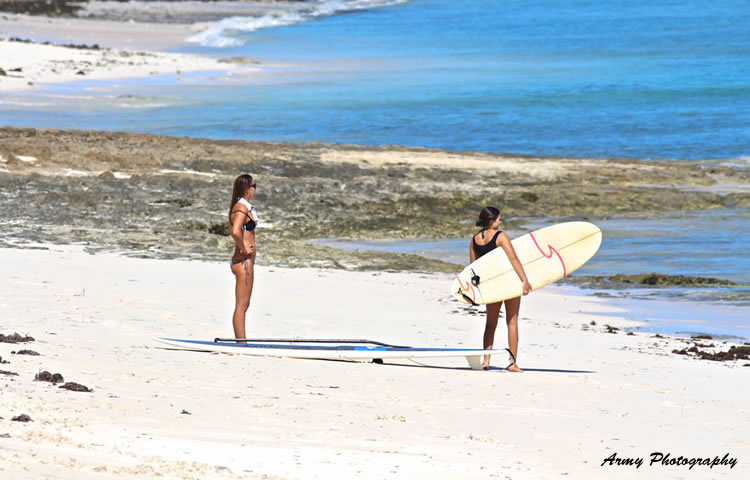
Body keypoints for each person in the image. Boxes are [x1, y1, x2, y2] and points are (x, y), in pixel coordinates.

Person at [469, 206, 532, 372]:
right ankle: (512, 363)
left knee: (490, 324)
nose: (500, 221)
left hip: (492, 286)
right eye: (498, 219)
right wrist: (524, 280)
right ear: (491, 221)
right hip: (509, 283)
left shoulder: (475, 240)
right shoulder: (500, 236)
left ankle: (486, 360)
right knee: (512, 322)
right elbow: (514, 259)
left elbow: (473, 268)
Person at [229, 174, 259, 341]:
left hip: (246, 262)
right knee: (241, 306)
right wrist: (244, 249)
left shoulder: (244, 207)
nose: (256, 189)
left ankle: (242, 340)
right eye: (254, 185)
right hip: (243, 262)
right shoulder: (241, 208)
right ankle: (241, 342)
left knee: (244, 305)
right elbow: (235, 231)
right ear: (247, 188)